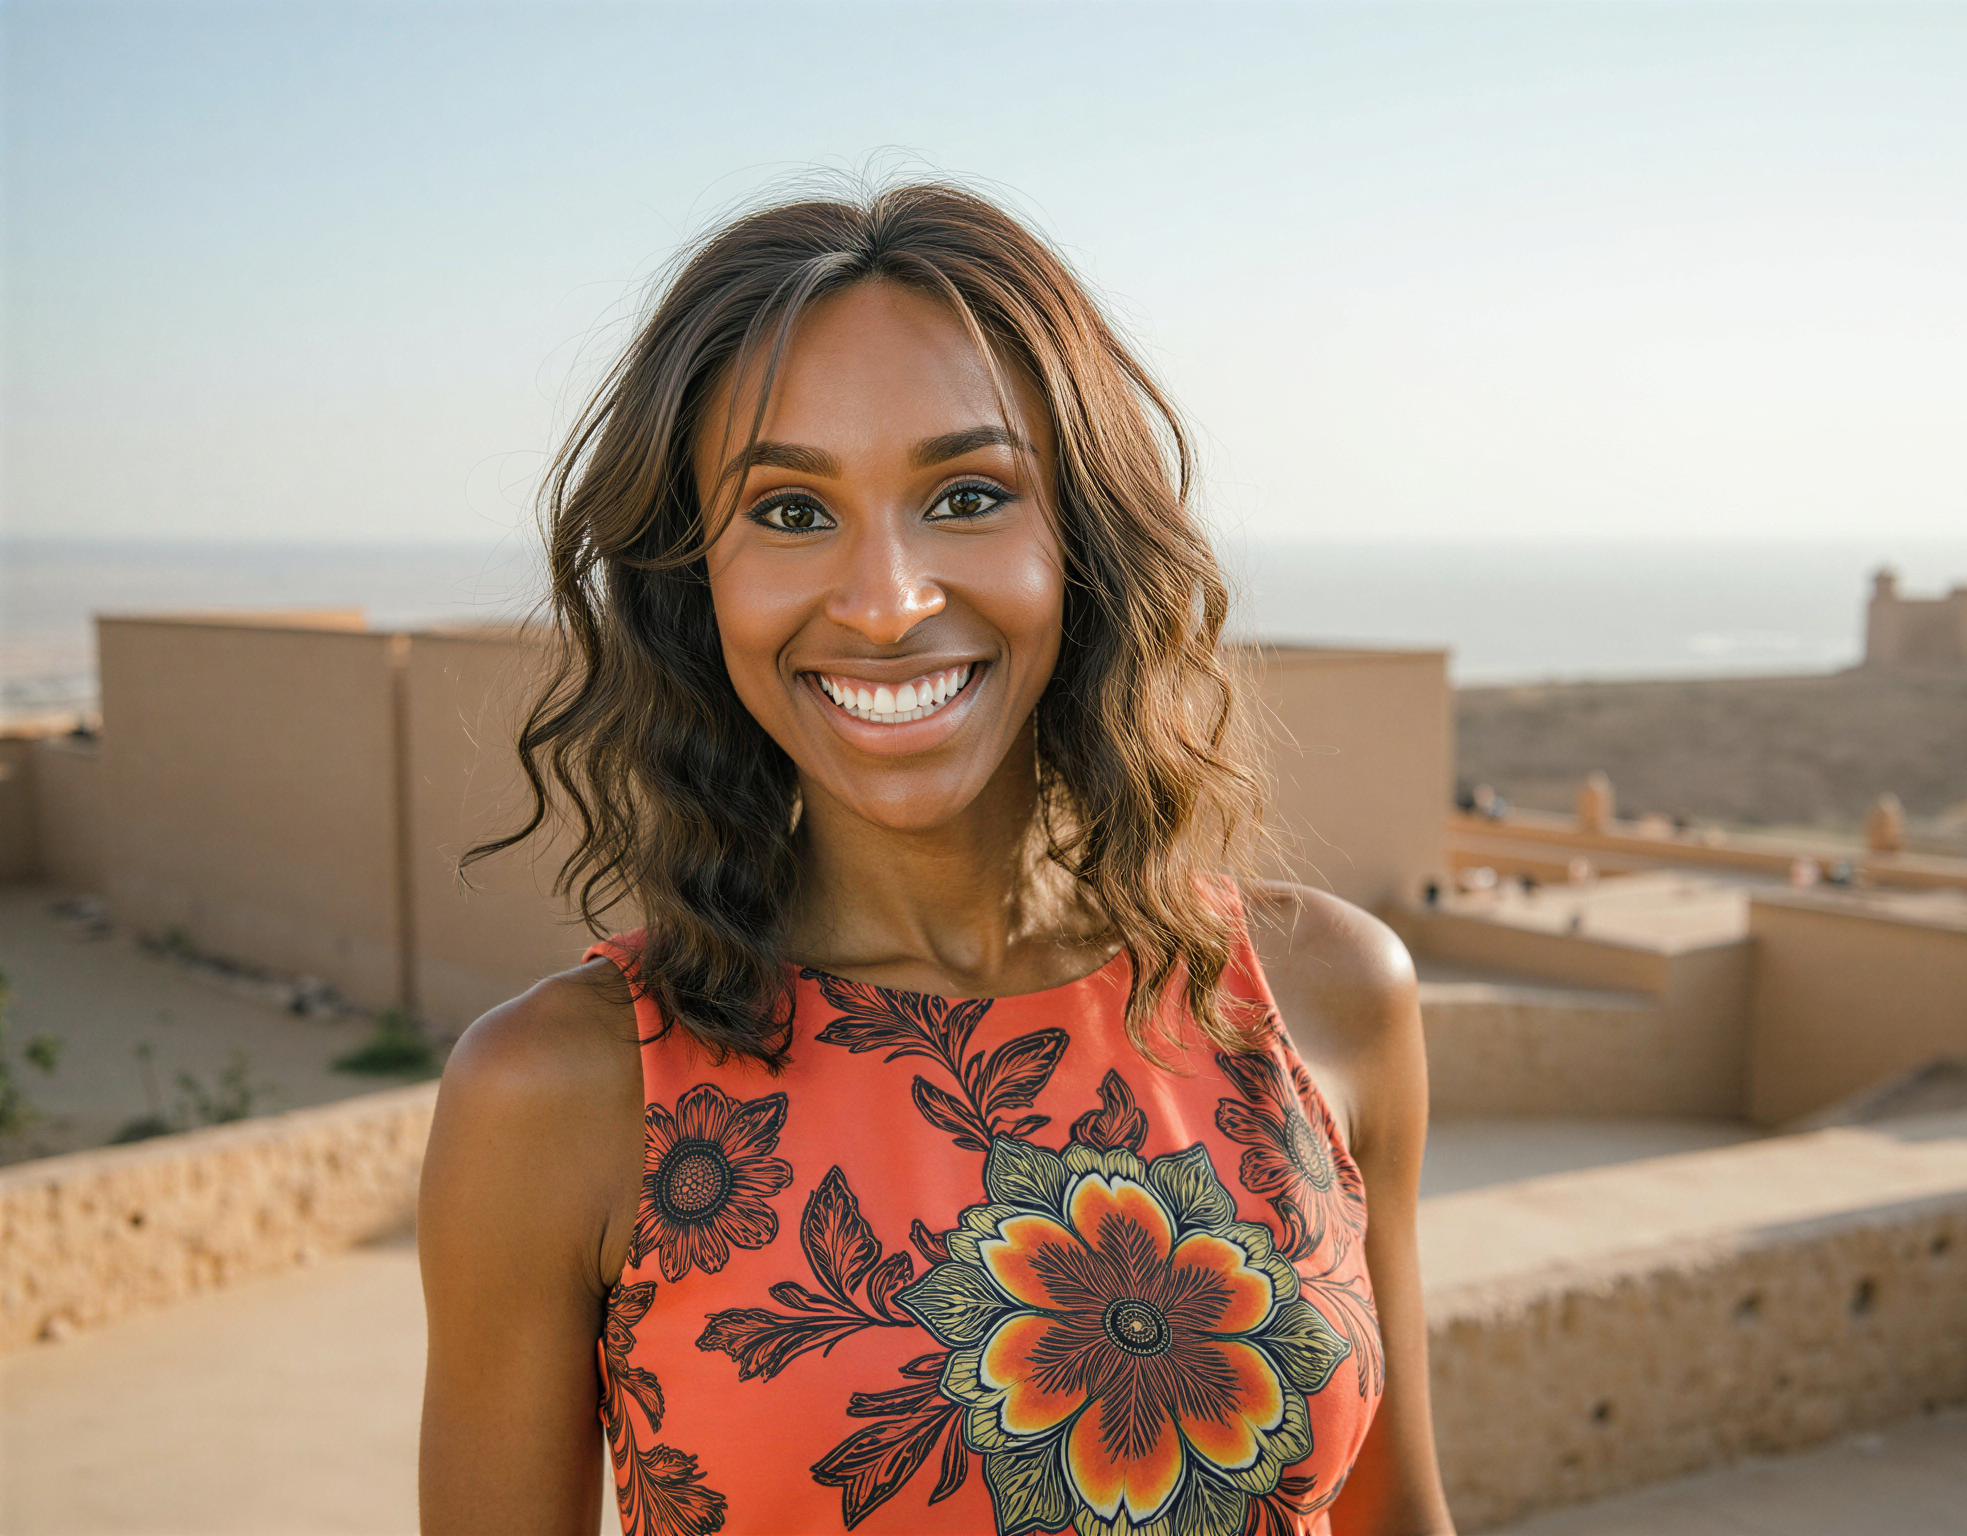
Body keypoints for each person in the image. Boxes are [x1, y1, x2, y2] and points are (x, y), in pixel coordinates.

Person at [417, 181, 1454, 1536]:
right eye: (789, 512)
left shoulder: (1322, 999)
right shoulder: (565, 1094)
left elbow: (1399, 1519)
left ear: (1080, 540)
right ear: (698, 583)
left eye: (967, 495)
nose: (888, 600)